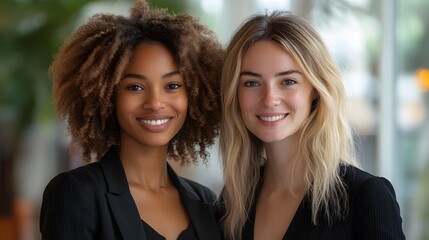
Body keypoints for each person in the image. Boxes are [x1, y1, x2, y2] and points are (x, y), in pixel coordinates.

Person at [39, 0, 224, 239]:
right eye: (135, 87)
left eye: (173, 85)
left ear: (195, 94)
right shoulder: (76, 193)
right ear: (106, 95)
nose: (155, 102)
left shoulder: (206, 202)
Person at [217, 10, 405, 240]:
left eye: (288, 81)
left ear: (315, 90)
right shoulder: (234, 202)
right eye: (252, 83)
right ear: (234, 93)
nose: (269, 99)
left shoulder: (366, 197)